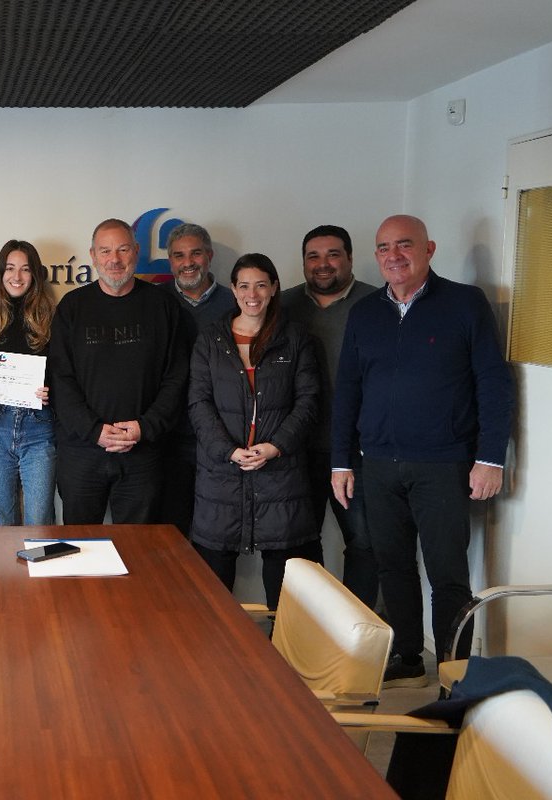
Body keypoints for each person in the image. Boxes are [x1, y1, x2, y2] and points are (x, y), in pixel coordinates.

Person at [332, 214, 513, 687]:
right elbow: (348, 389)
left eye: (405, 245)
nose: (394, 255)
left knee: (447, 574)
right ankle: (408, 655)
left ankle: (454, 673)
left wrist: (490, 457)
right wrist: (341, 460)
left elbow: (493, 382)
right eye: (384, 247)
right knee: (392, 565)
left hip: (444, 464)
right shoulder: (365, 312)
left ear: (428, 249)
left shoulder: (464, 304)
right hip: (377, 464)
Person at [189, 253, 322, 609]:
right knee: (211, 595)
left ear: (274, 288)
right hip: (221, 476)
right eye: (244, 285)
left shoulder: (295, 338)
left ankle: (284, 662)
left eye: (261, 284)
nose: (253, 294)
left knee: (289, 598)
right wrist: (228, 451)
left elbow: (308, 402)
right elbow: (198, 404)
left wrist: (275, 447)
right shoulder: (210, 340)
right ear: (232, 290)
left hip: (280, 477)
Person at [49, 218, 188, 524]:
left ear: (136, 252)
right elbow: (60, 379)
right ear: (93, 255)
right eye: (106, 251)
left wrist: (144, 427)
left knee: (139, 553)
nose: (114, 259)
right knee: (79, 550)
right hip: (82, 452)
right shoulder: (72, 307)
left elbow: (176, 379)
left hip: (143, 453)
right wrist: (94, 430)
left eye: (123, 249)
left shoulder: (162, 306)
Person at [279, 225, 379, 608]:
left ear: (350, 259)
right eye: (313, 257)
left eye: (333, 255)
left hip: (357, 450)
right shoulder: (282, 306)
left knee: (364, 542)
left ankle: (354, 630)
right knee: (300, 543)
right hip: (296, 447)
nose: (323, 265)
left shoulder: (377, 303)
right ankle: (309, 628)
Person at [0, 240, 56, 526]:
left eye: (25, 270)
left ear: (35, 276)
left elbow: (64, 372)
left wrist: (51, 389)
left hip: (39, 429)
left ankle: (39, 571)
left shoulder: (51, 320)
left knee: (39, 520)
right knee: (1, 520)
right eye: (10, 268)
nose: (17, 277)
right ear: (0, 273)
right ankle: (5, 572)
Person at [160, 222, 238, 538]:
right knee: (169, 532)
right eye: (179, 256)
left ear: (209, 255)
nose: (188, 262)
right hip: (167, 436)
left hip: (220, 436)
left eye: (195, 253)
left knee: (216, 535)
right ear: (170, 262)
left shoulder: (235, 302)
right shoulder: (155, 301)